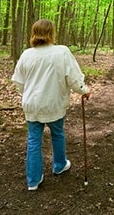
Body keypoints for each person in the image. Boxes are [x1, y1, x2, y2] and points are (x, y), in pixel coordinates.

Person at [11, 19, 90, 191]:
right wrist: (84, 90)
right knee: (57, 133)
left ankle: (33, 181)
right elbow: (74, 78)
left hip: (31, 104)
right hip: (53, 103)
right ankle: (59, 165)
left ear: (34, 34)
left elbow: (19, 82)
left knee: (33, 139)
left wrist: (29, 95)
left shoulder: (27, 54)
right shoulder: (61, 52)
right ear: (52, 33)